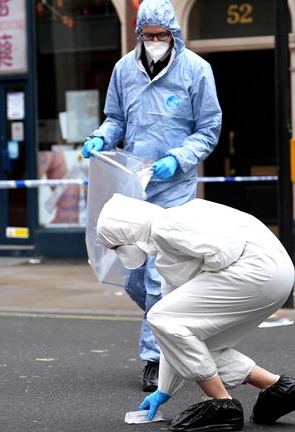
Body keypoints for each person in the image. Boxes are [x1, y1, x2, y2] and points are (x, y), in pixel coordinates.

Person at [82, 0, 222, 392]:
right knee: (132, 273)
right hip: (133, 184)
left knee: (159, 273)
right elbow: (116, 119)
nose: (155, 41)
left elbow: (208, 128)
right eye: (149, 35)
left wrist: (178, 159)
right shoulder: (124, 69)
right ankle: (177, 325)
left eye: (161, 35)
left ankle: (155, 358)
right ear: (139, 34)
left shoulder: (196, 70)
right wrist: (101, 137)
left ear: (174, 35)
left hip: (174, 186)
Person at [97, 194, 295, 431]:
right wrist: (164, 390)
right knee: (194, 342)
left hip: (256, 272)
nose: (119, 251)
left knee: (162, 318)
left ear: (125, 231)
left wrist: (202, 272)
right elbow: (173, 335)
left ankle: (222, 405)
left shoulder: (166, 226)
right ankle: (279, 389)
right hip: (273, 275)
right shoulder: (168, 238)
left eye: (115, 246)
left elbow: (224, 252)